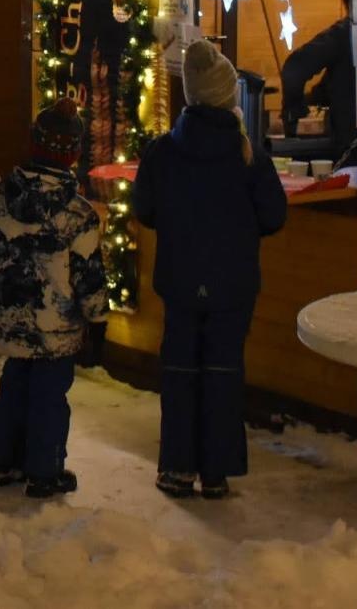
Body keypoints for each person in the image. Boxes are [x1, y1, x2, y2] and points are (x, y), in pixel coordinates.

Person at [133, 39, 287, 501]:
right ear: (227, 95)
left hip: (180, 281)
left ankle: (177, 468)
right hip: (233, 284)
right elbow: (274, 216)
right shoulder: (248, 156)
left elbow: (145, 209)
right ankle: (216, 472)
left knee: (180, 370)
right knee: (223, 371)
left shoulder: (163, 152)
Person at [0, 100, 109, 499]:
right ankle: (44, 472)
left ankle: (2, 462)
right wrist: (97, 320)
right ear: (73, 153)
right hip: (56, 325)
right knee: (49, 397)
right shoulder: (77, 213)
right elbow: (88, 274)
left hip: (12, 315)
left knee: (14, 387)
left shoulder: (5, 197)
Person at [280, 0, 357, 164]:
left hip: (348, 146)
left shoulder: (343, 34)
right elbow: (326, 88)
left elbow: (294, 70)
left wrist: (294, 113)